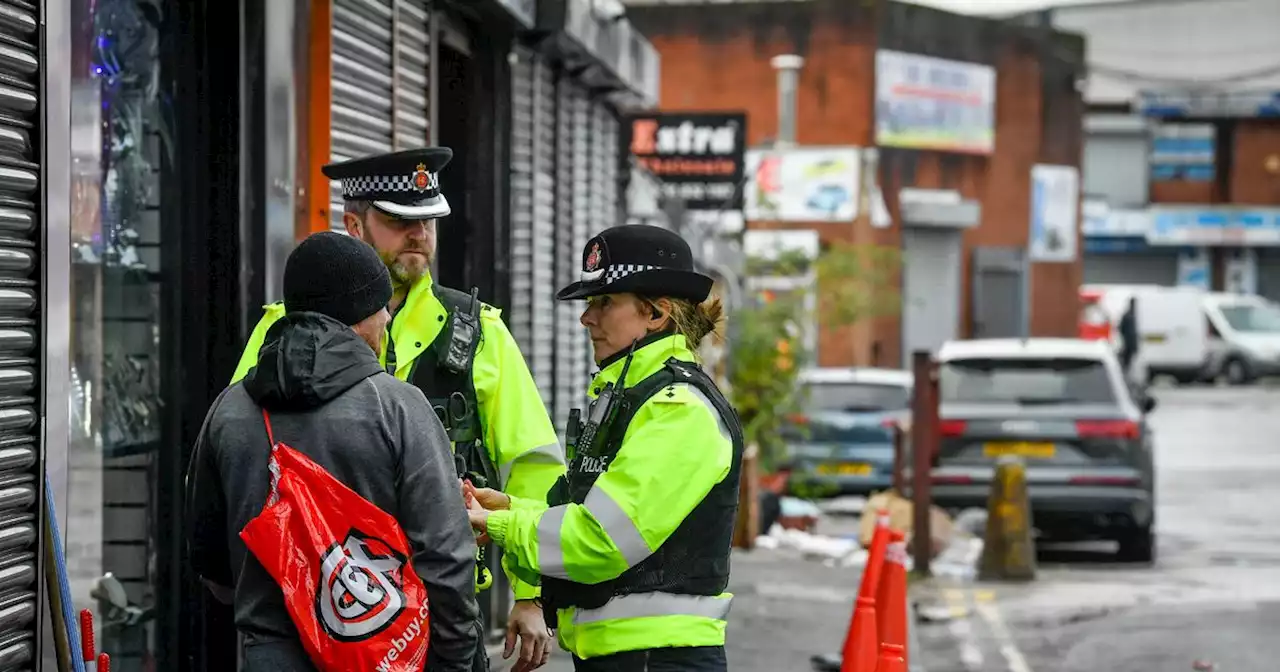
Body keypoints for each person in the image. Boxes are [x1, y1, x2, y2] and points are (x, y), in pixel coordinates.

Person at [229, 148, 564, 671]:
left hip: (442, 612)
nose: (420, 234)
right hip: (310, 612)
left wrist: (530, 592)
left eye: (428, 219)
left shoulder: (478, 331)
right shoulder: (280, 330)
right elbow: (238, 456)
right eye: (399, 220)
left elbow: (534, 466)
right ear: (354, 225)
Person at [185, 231, 481, 671]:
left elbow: (211, 564)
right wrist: (456, 659)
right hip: (383, 654)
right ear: (359, 314)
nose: (386, 318)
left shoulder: (229, 410)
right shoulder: (398, 407)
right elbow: (446, 558)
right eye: (382, 306)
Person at [465, 224, 746, 672]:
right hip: (626, 656)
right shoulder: (635, 399)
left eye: (604, 302)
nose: (586, 318)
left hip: (657, 660)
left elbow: (601, 541)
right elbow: (587, 515)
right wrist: (507, 508)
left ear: (656, 314)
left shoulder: (678, 411)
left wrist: (504, 526)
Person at [1118, 296, 1139, 381]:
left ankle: (1126, 375)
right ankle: (1125, 375)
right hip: (1129, 343)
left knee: (1129, 361)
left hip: (1129, 343)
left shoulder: (1130, 315)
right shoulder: (1130, 315)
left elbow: (1121, 328)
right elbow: (1121, 328)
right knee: (1127, 361)